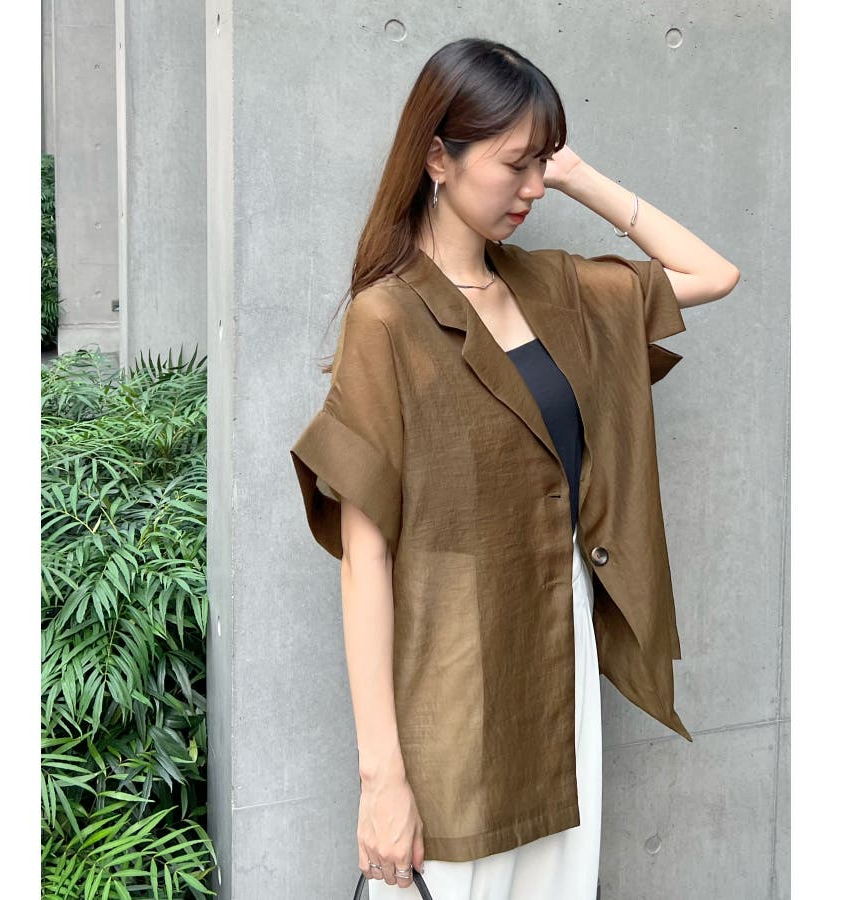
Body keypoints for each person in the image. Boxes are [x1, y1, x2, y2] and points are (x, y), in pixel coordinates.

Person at [290, 37, 739, 899]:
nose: (532, 188)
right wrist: (382, 778)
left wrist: (578, 174)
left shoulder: (556, 290)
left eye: (542, 164)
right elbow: (365, 559)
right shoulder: (387, 320)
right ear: (438, 158)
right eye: (514, 164)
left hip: (559, 655)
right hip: (454, 685)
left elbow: (711, 273)